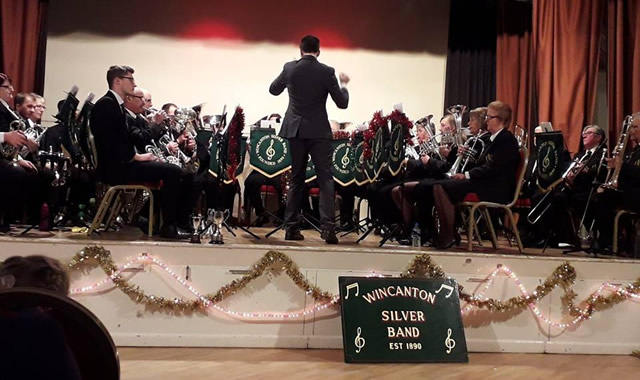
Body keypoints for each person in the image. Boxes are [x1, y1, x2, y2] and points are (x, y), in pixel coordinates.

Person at [90, 65, 192, 239]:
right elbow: (110, 143)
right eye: (130, 79)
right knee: (172, 171)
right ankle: (168, 226)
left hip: (123, 163)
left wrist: (137, 156)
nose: (134, 83)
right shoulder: (107, 105)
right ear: (117, 81)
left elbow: (124, 138)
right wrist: (135, 157)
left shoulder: (115, 105)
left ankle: (169, 221)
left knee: (179, 172)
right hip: (116, 168)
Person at [269, 35, 350, 244]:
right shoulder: (327, 71)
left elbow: (273, 90)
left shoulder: (290, 68)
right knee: (325, 179)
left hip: (295, 130)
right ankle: (328, 230)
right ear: (319, 51)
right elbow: (342, 104)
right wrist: (344, 84)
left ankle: (291, 228)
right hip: (319, 131)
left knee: (296, 178)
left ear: (300, 50)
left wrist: (289, 74)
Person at [432, 100, 520, 248]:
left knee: (442, 187)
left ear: (501, 120)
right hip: (485, 183)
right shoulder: (494, 139)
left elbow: (492, 168)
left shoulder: (506, 140)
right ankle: (448, 232)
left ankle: (448, 233)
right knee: (439, 186)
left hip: (495, 188)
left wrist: (466, 175)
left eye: (489, 117)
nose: (486, 121)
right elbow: (483, 165)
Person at [0, 73, 39, 231]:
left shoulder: (6, 108)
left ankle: (22, 218)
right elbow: (6, 136)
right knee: (16, 174)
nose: (12, 90)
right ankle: (5, 219)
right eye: (7, 87)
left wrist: (17, 158)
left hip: (4, 156)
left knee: (32, 172)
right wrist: (6, 137)